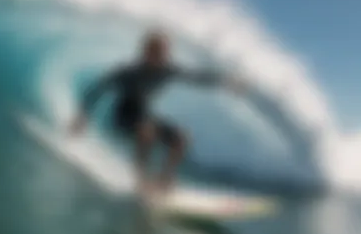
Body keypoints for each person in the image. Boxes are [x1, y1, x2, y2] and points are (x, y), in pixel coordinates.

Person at [69, 31, 244, 195]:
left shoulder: (167, 70)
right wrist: (82, 116)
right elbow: (98, 88)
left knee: (182, 138)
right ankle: (141, 181)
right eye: (158, 52)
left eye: (164, 52)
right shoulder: (129, 72)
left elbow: (197, 78)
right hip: (123, 118)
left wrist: (226, 81)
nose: (163, 56)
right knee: (147, 131)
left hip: (145, 117)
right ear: (147, 52)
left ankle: (164, 179)